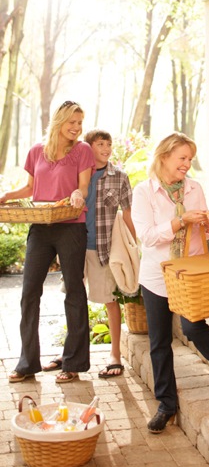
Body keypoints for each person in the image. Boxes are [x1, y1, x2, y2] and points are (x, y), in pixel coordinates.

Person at [131, 132, 209, 434]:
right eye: (182, 158)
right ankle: (166, 404)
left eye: (190, 159)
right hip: (156, 275)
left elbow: (202, 234)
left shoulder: (194, 189)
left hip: (188, 273)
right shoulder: (144, 192)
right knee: (159, 342)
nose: (187, 164)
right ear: (164, 156)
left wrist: (207, 224)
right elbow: (148, 236)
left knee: (193, 328)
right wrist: (181, 221)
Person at [0, 101, 95, 384]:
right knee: (29, 292)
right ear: (59, 121)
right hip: (40, 228)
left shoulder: (83, 150)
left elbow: (84, 186)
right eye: (72, 122)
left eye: (80, 122)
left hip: (71, 228)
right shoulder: (36, 151)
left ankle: (74, 362)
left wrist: (78, 195)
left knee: (74, 292)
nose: (77, 128)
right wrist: (6, 196)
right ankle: (28, 363)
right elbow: (30, 188)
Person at [42, 129, 136, 379]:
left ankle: (115, 354)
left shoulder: (120, 177)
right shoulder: (75, 174)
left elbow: (127, 215)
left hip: (101, 248)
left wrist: (136, 248)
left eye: (109, 144)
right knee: (73, 299)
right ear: (87, 147)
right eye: (100, 144)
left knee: (109, 300)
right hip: (72, 245)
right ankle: (70, 354)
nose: (106, 148)